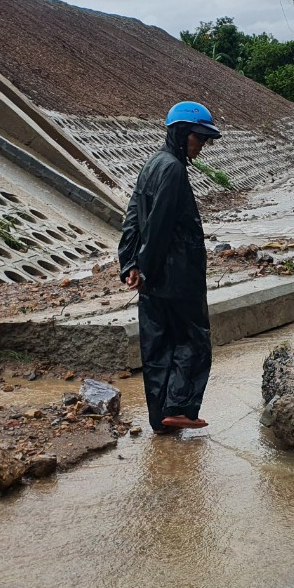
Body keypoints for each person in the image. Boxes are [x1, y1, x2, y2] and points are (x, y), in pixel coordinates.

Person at [118, 101, 221, 433]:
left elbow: (134, 217)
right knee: (193, 340)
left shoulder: (152, 164)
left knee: (158, 346)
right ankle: (179, 408)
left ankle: (161, 420)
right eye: (198, 138)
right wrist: (144, 266)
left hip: (154, 279)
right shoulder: (174, 170)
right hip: (178, 274)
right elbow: (160, 224)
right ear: (180, 133)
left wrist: (130, 263)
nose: (201, 146)